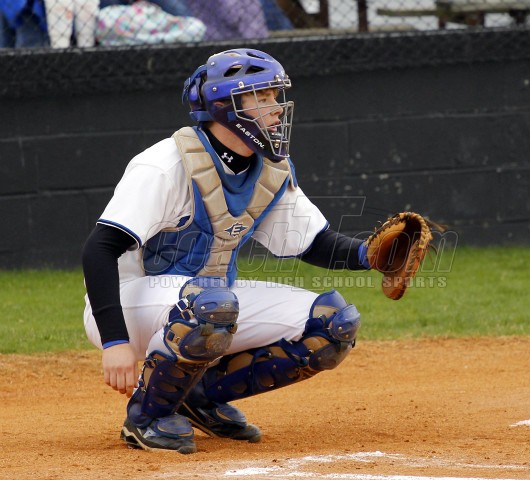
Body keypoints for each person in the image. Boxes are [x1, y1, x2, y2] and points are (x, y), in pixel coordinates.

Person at [82, 48, 368, 453]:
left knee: (334, 322)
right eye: (262, 96)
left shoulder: (270, 167)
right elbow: (99, 249)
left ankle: (197, 397)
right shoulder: (166, 164)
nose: (276, 107)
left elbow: (314, 243)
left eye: (275, 95)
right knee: (212, 304)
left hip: (208, 303)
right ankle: (147, 416)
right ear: (226, 107)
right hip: (130, 304)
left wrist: (371, 255)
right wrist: (116, 343)